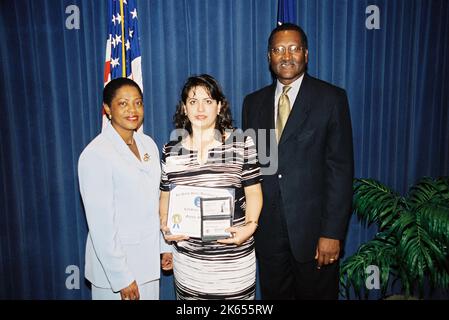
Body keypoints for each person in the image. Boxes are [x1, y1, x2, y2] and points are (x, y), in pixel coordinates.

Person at [242, 23, 354, 299]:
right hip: (268, 235)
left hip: (314, 234)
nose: (286, 56)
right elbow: (259, 167)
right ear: (269, 57)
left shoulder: (331, 99)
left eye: (293, 48)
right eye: (278, 50)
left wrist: (332, 233)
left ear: (306, 54)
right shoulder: (253, 103)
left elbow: (340, 170)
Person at [159, 74, 263, 300]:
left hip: (234, 264)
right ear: (184, 108)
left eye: (208, 101)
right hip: (189, 266)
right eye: (193, 101)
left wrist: (251, 225)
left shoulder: (243, 143)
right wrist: (166, 225)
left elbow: (254, 191)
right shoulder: (170, 150)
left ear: (219, 106)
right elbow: (165, 194)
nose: (200, 108)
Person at [78, 77, 172, 300]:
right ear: (107, 109)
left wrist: (164, 247)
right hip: (116, 275)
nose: (133, 109)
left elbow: (157, 201)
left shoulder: (147, 144)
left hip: (147, 264)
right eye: (123, 103)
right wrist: (121, 276)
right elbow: (102, 226)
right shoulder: (95, 154)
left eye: (138, 102)